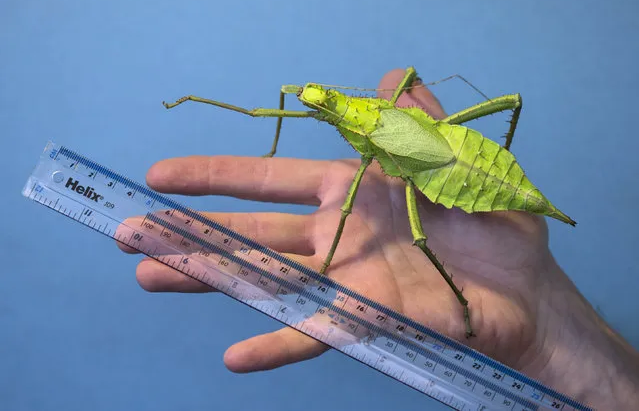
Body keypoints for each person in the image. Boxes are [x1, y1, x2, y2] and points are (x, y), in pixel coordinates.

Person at [119, 69, 639, 409]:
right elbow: (283, 102)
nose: (310, 101)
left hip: (454, 166)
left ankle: (458, 291)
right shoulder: (374, 110)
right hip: (447, 147)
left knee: (418, 234)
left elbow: (278, 120)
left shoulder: (372, 140)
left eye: (318, 102)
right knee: (507, 102)